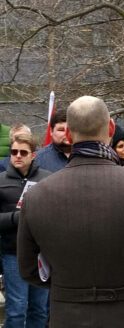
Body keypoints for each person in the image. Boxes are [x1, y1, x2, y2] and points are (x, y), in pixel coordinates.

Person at [17, 96, 124, 328]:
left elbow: (27, 268)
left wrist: (68, 289)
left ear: (68, 134)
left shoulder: (36, 196)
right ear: (111, 129)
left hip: (69, 315)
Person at [0, 133, 50, 327]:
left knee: (39, 308)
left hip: (42, 253)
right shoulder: (1, 181)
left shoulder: (47, 179)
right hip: (14, 253)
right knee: (16, 309)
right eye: (14, 152)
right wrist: (16, 217)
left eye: (23, 152)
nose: (18, 156)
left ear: (33, 155)